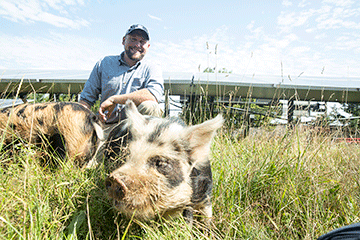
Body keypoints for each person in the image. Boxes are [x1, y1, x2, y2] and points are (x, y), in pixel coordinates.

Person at [79, 24, 164, 123]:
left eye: (142, 42)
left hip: (136, 129)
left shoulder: (152, 68)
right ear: (123, 40)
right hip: (105, 126)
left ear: (148, 46)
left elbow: (153, 95)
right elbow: (86, 100)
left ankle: (142, 138)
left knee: (151, 106)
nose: (137, 45)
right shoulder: (105, 63)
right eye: (133, 39)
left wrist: (114, 100)